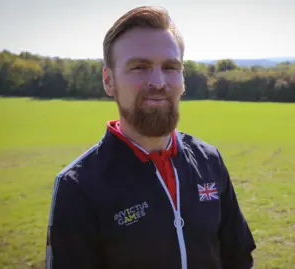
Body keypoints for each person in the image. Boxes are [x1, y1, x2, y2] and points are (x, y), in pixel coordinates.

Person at [45, 5, 256, 269]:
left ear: (182, 78)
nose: (158, 82)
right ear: (109, 81)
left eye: (170, 67)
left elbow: (238, 257)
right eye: (139, 67)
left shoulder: (209, 161)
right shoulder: (78, 186)